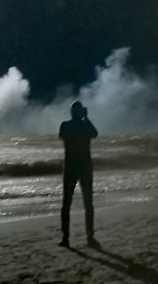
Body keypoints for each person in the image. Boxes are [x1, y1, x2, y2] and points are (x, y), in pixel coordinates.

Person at [59, 101, 99, 247]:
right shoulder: (78, 125)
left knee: (69, 203)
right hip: (82, 167)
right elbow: (94, 134)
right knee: (85, 202)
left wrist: (84, 120)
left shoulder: (66, 125)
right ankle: (87, 235)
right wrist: (86, 118)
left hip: (72, 167)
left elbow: (94, 134)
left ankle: (67, 236)